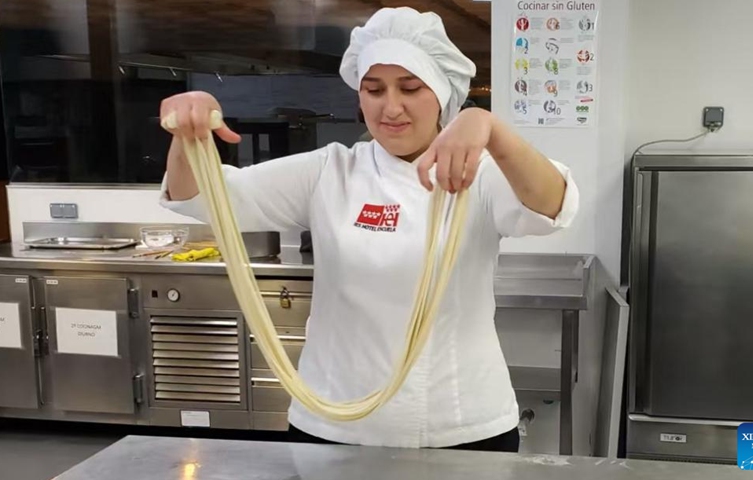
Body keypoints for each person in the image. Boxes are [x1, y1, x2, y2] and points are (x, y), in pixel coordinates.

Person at [158, 7, 579, 452]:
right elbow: (202, 195)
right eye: (373, 89)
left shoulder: (479, 173)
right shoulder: (330, 171)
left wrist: (492, 129)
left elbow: (553, 204)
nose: (390, 107)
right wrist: (188, 132)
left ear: (442, 92)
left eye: (410, 88)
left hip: (460, 423)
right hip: (334, 422)